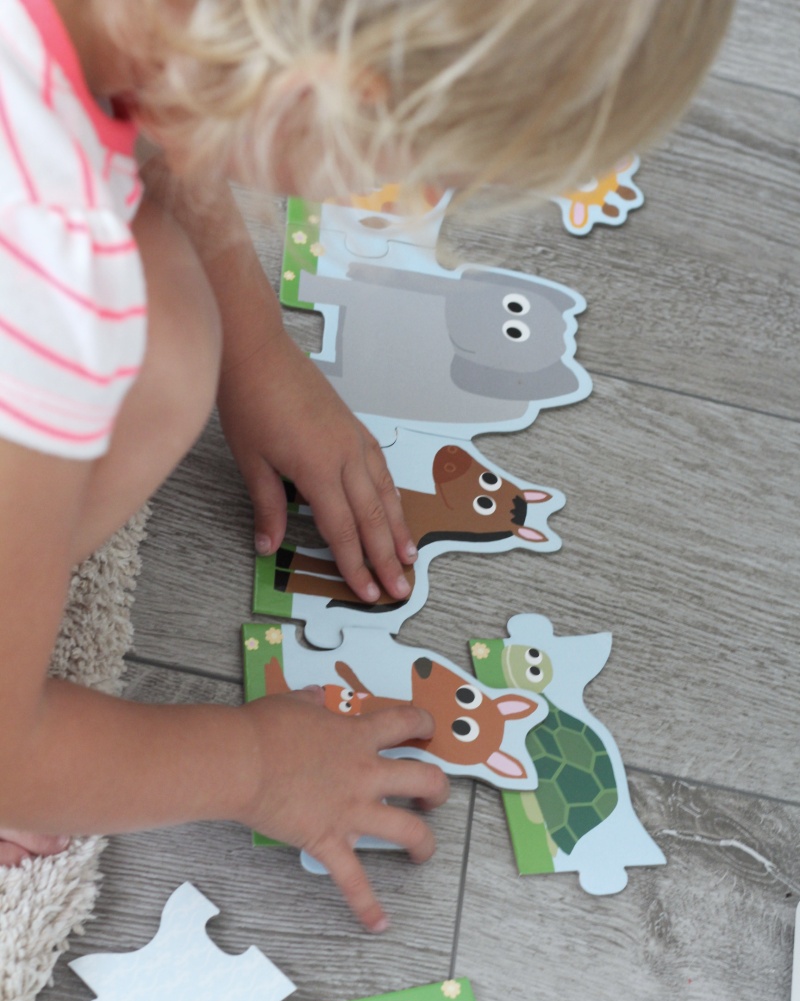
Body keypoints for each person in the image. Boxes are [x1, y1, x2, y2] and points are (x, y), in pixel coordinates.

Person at [0, 0, 733, 929]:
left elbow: (171, 101)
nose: (410, 199)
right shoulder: (48, 267)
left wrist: (257, 352)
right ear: (325, 93)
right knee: (166, 346)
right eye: (420, 174)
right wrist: (258, 766)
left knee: (176, 306)